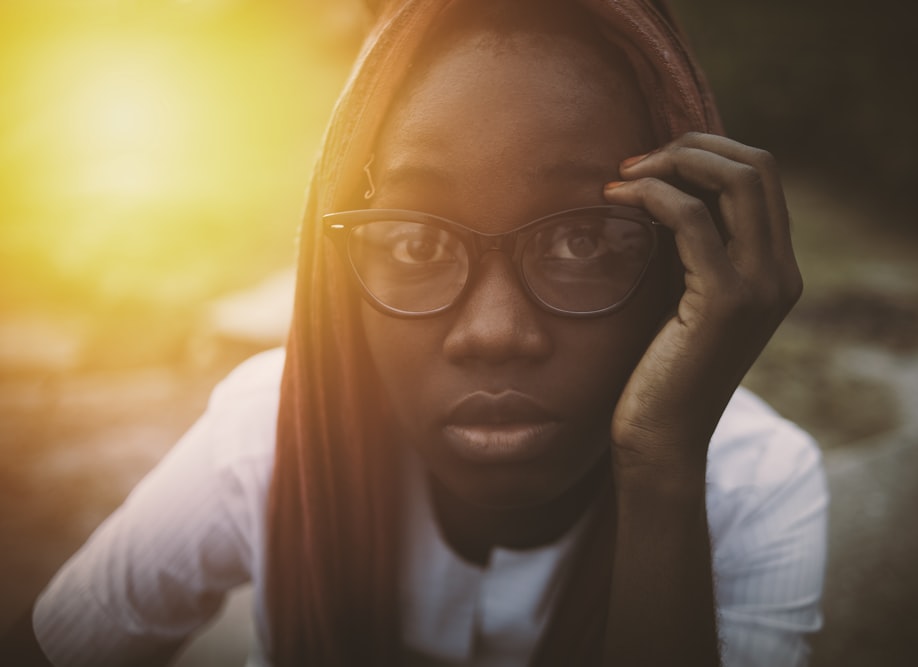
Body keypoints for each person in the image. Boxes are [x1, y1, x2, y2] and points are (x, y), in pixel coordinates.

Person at [6, 0, 828, 665]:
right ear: (336, 272)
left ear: (683, 262)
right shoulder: (266, 437)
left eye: (584, 239)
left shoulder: (754, 487)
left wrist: (660, 465)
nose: (495, 333)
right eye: (415, 241)